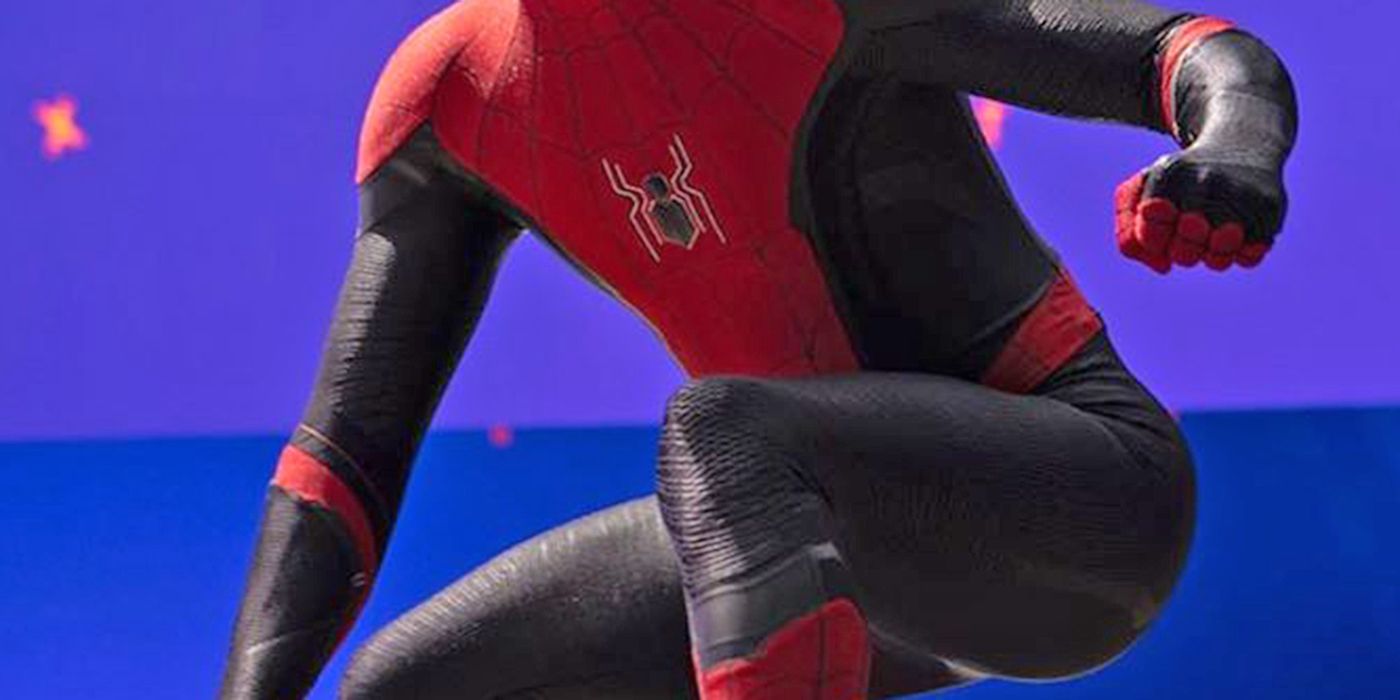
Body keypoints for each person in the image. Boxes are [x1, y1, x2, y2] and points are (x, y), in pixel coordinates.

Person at [218, 1, 1297, 698]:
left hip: (1088, 503)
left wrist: (1234, 148)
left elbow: (1182, 53)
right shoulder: (445, 99)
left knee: (725, 432)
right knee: (403, 688)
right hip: (840, 551)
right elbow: (341, 469)